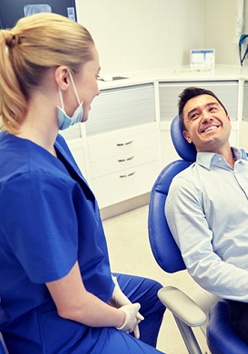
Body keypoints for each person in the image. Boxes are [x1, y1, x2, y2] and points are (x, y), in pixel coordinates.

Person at [0, 13, 166, 354]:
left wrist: (111, 286)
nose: (98, 88)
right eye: (96, 75)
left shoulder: (51, 143)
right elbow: (72, 306)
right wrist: (121, 319)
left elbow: (75, 244)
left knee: (151, 297)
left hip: (77, 287)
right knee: (136, 317)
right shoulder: (30, 181)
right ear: (64, 78)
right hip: (58, 332)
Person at [165, 86, 248, 344]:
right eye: (194, 115)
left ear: (228, 119)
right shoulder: (186, 186)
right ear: (187, 136)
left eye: (212, 109)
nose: (206, 116)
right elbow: (203, 266)